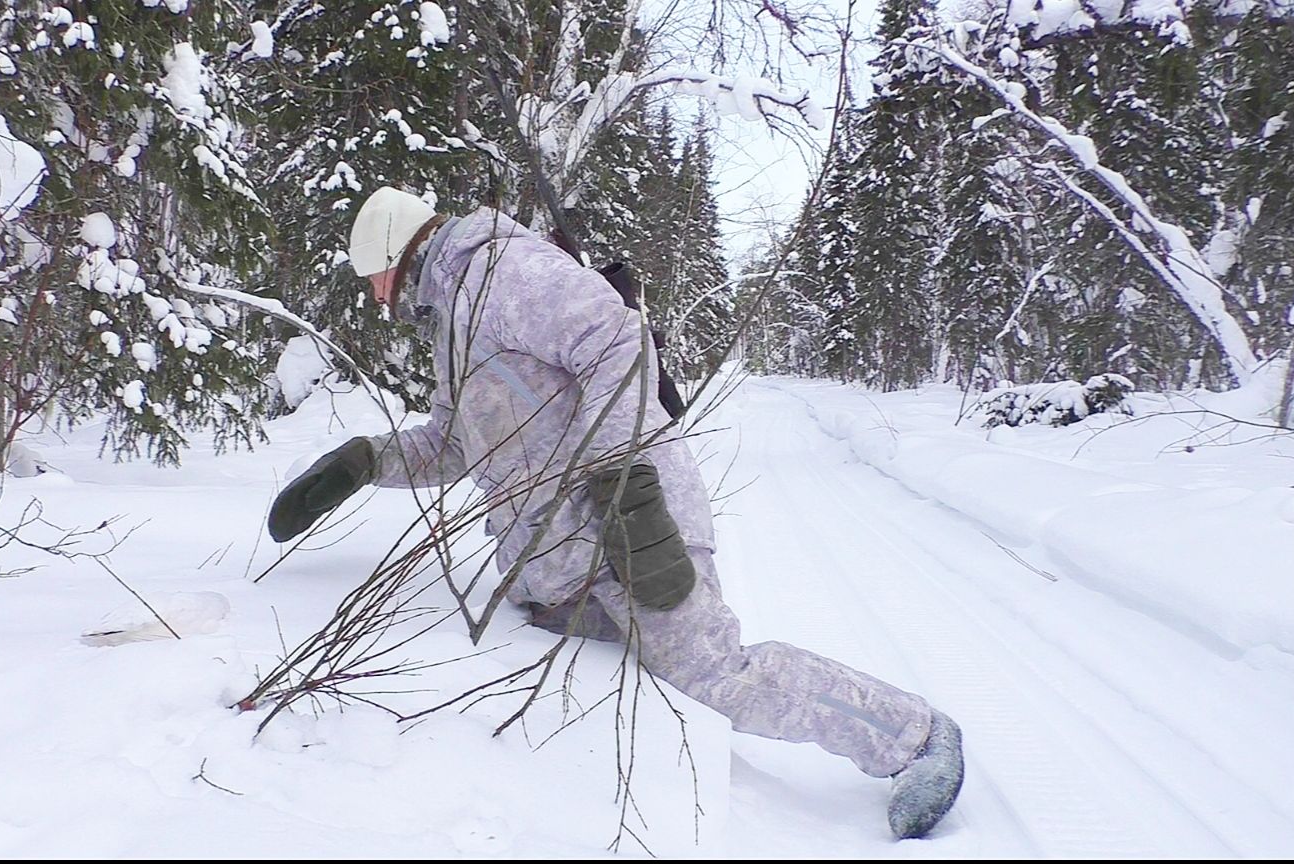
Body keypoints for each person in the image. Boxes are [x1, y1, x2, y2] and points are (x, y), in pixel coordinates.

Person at [267, 187, 964, 839]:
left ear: (389, 257)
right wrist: (362, 462)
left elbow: (617, 342)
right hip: (566, 557)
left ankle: (913, 735)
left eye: (369, 281)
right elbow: (455, 446)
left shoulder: (499, 269)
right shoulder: (456, 320)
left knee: (711, 673)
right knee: (610, 683)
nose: (372, 295)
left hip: (635, 519)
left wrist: (623, 480)